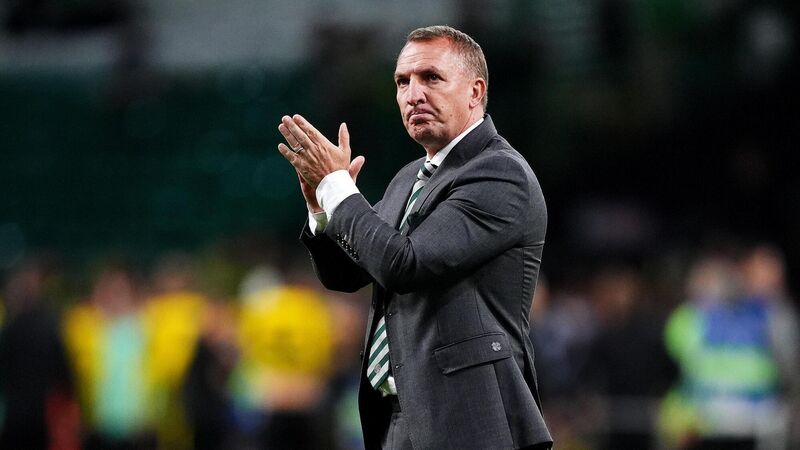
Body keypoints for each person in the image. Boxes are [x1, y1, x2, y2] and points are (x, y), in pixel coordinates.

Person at [276, 25, 552, 450]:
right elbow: (347, 274)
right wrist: (321, 206)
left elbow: (402, 265)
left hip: (471, 422)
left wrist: (338, 187)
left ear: (475, 91)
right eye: (402, 82)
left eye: (431, 77)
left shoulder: (499, 172)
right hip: (401, 417)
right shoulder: (409, 178)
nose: (413, 94)